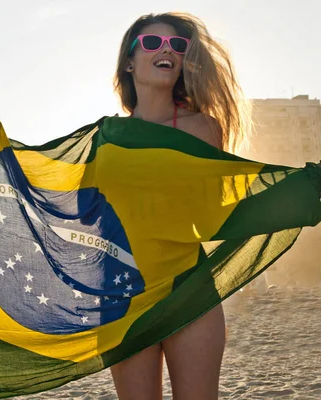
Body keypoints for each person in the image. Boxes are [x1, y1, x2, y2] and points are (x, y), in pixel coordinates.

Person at [109, 12, 252, 400]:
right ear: (129, 61)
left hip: (188, 285)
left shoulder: (203, 128)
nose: (166, 50)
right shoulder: (107, 138)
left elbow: (214, 212)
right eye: (153, 43)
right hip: (124, 294)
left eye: (177, 45)